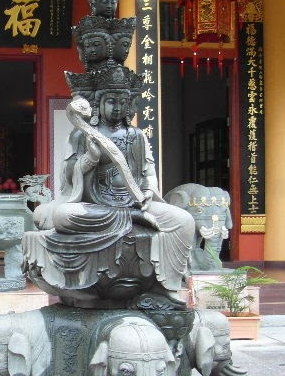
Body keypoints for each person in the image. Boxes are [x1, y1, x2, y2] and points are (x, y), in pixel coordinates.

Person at [34, 67, 195, 302]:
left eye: (122, 102)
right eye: (111, 101)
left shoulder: (137, 136)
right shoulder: (82, 135)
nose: (117, 107)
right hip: (96, 205)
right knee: (62, 216)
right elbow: (68, 177)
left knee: (184, 220)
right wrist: (91, 158)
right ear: (99, 104)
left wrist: (148, 191)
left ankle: (167, 285)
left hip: (136, 204)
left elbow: (149, 173)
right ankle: (132, 220)